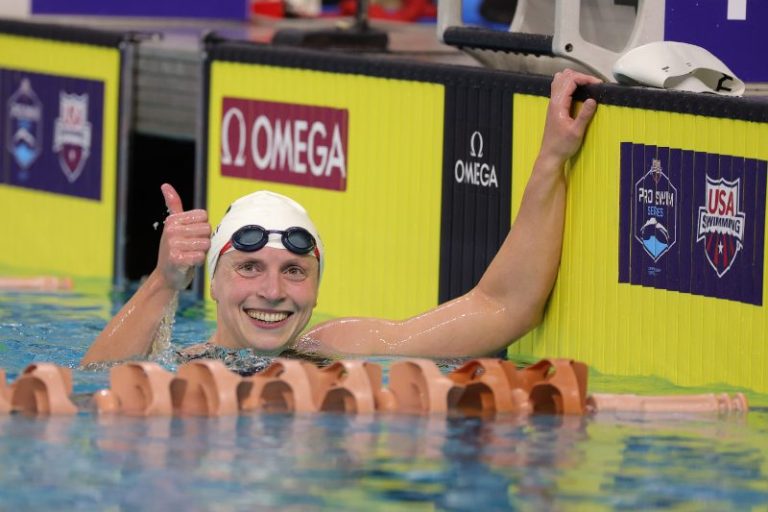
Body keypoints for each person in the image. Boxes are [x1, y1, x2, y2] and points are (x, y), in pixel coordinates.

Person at [82, 69, 600, 365]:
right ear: (213, 284)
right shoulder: (182, 371)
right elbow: (95, 384)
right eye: (249, 267)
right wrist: (163, 282)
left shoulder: (343, 350)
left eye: (294, 270)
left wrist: (552, 157)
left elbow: (503, 307)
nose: (273, 291)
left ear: (317, 285)